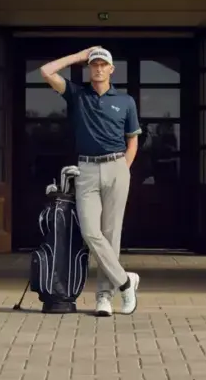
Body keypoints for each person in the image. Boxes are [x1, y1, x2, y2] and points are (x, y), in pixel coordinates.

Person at [40, 46, 141, 316]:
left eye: (102, 64)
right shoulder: (77, 95)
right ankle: (125, 281)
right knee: (90, 232)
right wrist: (78, 56)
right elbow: (46, 71)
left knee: (111, 235)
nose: (97, 68)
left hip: (117, 167)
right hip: (86, 168)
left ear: (111, 69)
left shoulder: (126, 101)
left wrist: (124, 169)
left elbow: (133, 140)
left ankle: (103, 298)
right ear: (89, 67)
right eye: (93, 64)